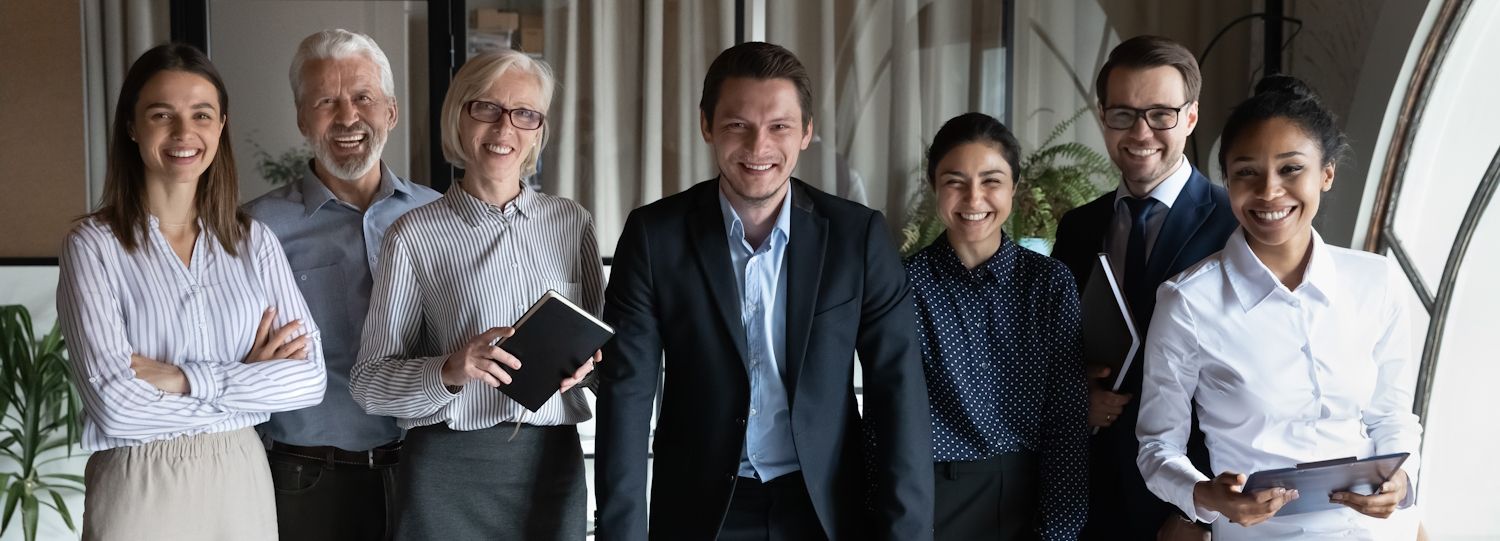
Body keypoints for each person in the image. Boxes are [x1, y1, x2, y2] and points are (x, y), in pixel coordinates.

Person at [595, 41, 934, 541]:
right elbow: (626, 392)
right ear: (707, 125)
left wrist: (906, 532)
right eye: (738, 125)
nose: (759, 148)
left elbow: (899, 390)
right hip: (701, 510)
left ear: (807, 132)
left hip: (824, 509)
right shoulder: (654, 236)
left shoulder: (856, 237)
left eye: (779, 127)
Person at [56, 43, 327, 540]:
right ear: (133, 127)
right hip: (139, 484)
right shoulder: (92, 246)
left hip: (241, 477)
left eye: (201, 114)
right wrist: (249, 385)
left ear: (220, 126)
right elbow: (114, 406)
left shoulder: (252, 241)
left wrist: (182, 379)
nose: (185, 133)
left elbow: (308, 381)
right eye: (162, 114)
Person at [1136, 74, 1422, 540]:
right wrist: (1209, 496)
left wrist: (1404, 482)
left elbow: (1391, 415)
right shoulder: (1187, 302)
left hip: (1377, 531)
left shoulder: (1376, 280)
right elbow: (1156, 448)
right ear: (1226, 181)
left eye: (1291, 169)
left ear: (1326, 173)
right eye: (1247, 171)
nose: (1269, 191)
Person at [348, 48, 601, 540]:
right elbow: (367, 382)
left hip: (553, 465)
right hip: (448, 469)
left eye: (525, 114)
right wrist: (449, 369)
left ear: (539, 130)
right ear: (458, 117)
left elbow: (608, 359)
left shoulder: (573, 224)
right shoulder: (413, 235)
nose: (505, 129)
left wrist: (594, 369)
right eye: (486, 107)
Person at [243, 29, 440, 541]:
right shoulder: (252, 230)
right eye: (326, 101)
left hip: (428, 473)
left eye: (362, 98)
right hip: (306, 482)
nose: (348, 117)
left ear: (390, 112)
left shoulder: (438, 217)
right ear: (303, 119)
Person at [1050, 35, 1238, 540]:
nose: (1140, 132)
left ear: (1191, 118)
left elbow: (1254, 381)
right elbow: (1057, 346)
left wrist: (1196, 511)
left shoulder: (1235, 224)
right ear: (1102, 117)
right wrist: (1077, 396)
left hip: (1191, 499)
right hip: (1087, 493)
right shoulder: (1078, 227)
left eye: (1161, 114)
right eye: (1123, 114)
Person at [905, 112, 1089, 540]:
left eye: (991, 180)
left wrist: (1061, 529)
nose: (973, 198)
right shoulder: (903, 286)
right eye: (955, 181)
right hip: (931, 495)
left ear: (1014, 188)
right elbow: (884, 414)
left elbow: (1066, 416)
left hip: (1027, 493)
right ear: (934, 185)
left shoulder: (1049, 283)